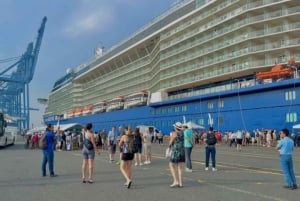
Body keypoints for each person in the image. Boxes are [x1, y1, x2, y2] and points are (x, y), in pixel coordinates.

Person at [168, 122, 185, 188]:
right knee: (180, 167)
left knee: (171, 165)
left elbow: (170, 143)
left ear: (175, 127)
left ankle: (175, 181)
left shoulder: (174, 133)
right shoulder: (183, 133)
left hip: (176, 151)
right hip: (182, 151)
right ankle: (180, 183)